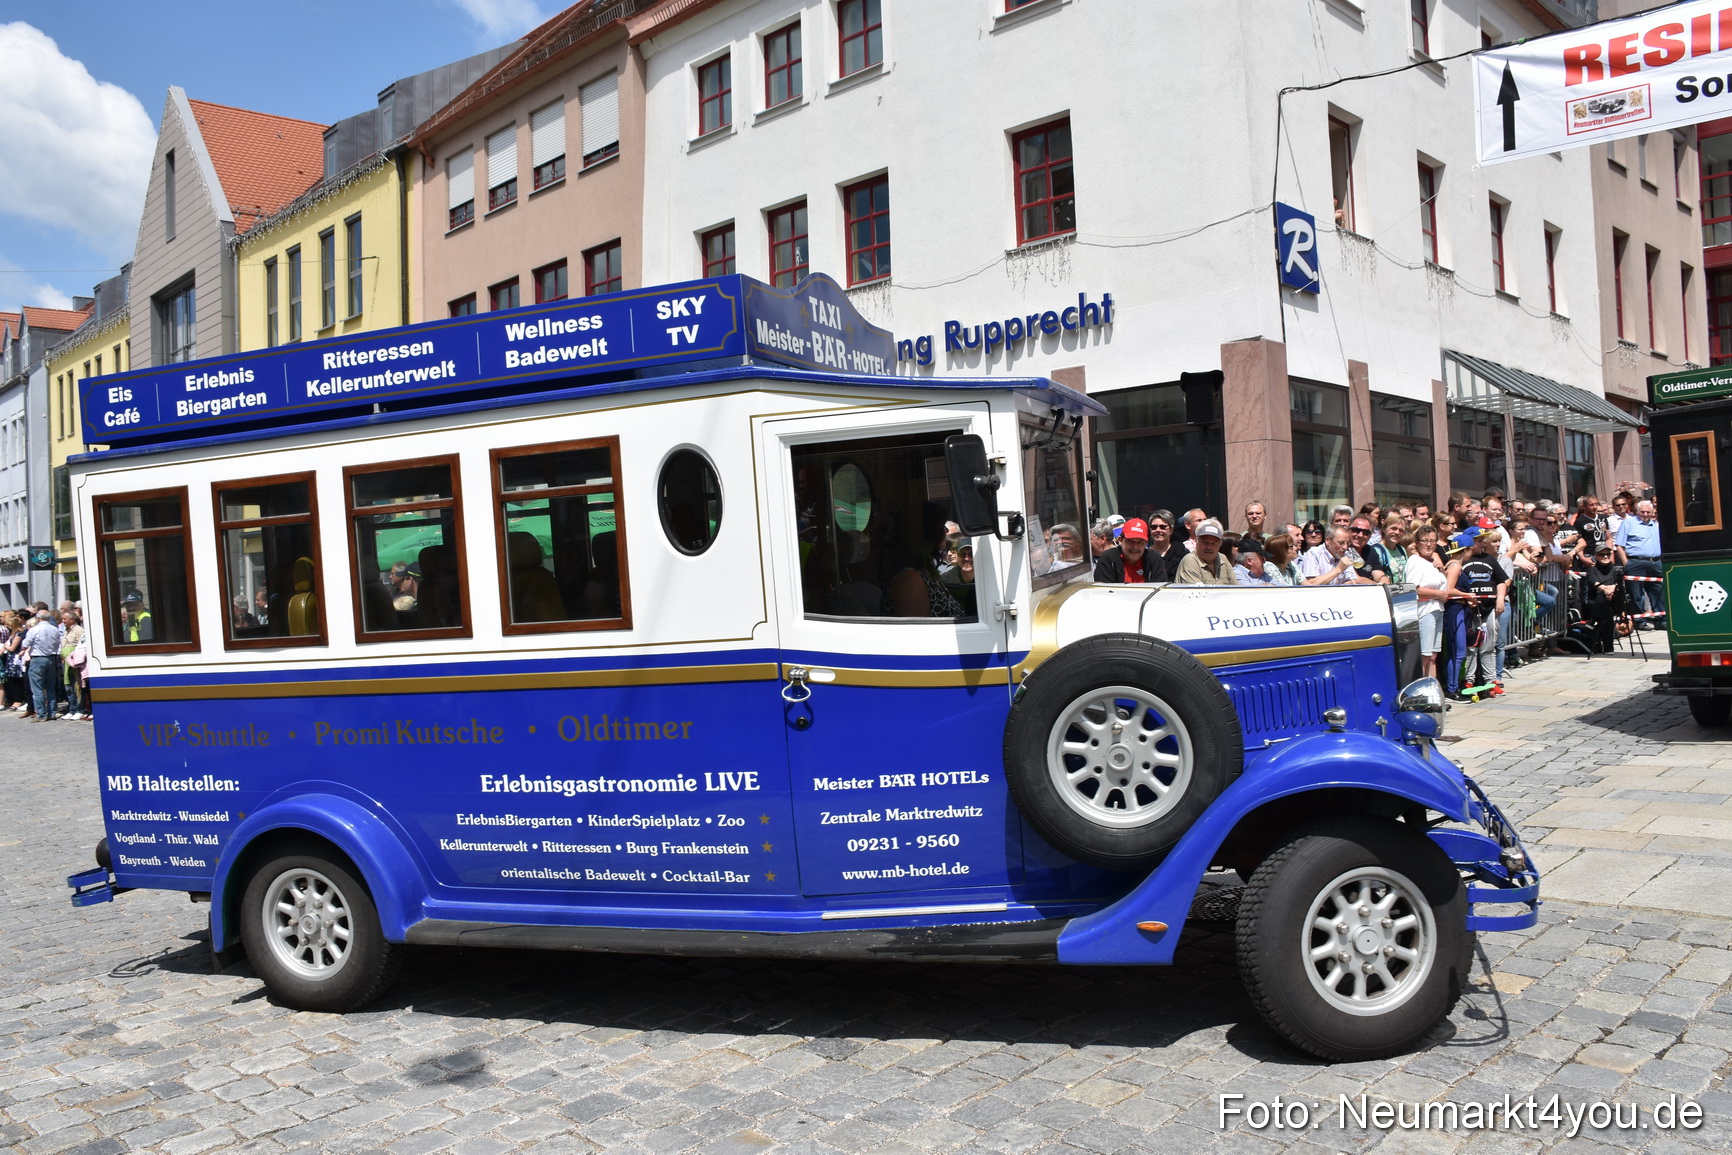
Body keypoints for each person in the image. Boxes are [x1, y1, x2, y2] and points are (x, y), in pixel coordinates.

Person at [1449, 530, 1507, 702]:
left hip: (1489, 608)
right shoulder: (1462, 561)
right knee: (1471, 646)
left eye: (1483, 540)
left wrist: (1500, 600)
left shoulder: (1490, 559)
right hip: (1470, 609)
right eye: (1479, 541)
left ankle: (1491, 679)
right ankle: (1469, 680)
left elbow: (1502, 580)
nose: (1482, 543)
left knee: (1489, 645)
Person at [1405, 526, 1451, 682]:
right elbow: (1413, 588)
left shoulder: (1433, 561)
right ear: (1417, 543)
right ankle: (1419, 690)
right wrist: (1439, 594)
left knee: (1433, 655)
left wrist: (1442, 571)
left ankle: (1433, 690)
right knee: (1425, 654)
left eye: (1432, 541)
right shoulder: (1415, 561)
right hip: (1424, 610)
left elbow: (1442, 585)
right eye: (1425, 541)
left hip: (1437, 609)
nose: (1429, 544)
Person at [1615, 499, 1663, 627]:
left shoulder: (1655, 525)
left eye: (1648, 512)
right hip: (1636, 562)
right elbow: (1619, 545)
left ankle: (1660, 620)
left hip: (1655, 562)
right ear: (1637, 511)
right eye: (1643, 512)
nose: (1646, 514)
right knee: (1636, 594)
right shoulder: (1628, 523)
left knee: (1658, 592)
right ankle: (1639, 621)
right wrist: (1626, 563)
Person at [1580, 542, 1626, 653]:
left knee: (1607, 603)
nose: (1605, 556)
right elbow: (1593, 582)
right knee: (1607, 612)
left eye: (1608, 554)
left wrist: (1613, 588)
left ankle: (1593, 620)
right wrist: (1605, 589)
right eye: (1602, 554)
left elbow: (1622, 584)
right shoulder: (1592, 569)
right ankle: (1608, 647)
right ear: (1596, 556)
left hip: (1615, 602)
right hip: (1597, 602)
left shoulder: (1616, 569)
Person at [1094, 517, 1163, 583]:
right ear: (1120, 540)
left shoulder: (1154, 559)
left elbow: (1161, 590)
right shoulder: (1108, 559)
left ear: (1146, 544)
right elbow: (1102, 591)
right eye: (1130, 541)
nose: (1135, 547)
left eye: (1140, 542)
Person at [23, 609, 63, 722]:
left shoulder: (34, 630)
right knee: (50, 687)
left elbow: (25, 644)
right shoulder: (55, 629)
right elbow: (58, 643)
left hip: (38, 658)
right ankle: (52, 712)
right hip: (51, 658)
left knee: (37, 688)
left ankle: (41, 714)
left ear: (38, 618)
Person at [1174, 520, 1234, 584]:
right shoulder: (1190, 561)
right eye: (1205, 542)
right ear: (1197, 542)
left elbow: (1236, 588)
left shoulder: (1222, 558)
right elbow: (1197, 592)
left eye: (1213, 543)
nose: (1209, 547)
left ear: (1220, 545)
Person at [1345, 518, 1391, 583]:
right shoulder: (1342, 551)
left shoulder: (1370, 551)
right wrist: (1379, 586)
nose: (1360, 535)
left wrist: (1384, 579)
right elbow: (1356, 579)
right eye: (1356, 530)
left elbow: (1379, 575)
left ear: (1370, 536)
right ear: (1348, 531)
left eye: (1365, 532)